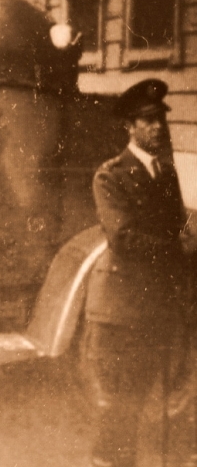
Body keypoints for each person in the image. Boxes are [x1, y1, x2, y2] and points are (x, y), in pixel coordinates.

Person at [83, 78, 197, 467]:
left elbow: (178, 224)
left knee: (165, 406)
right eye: (147, 121)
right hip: (122, 312)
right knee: (119, 407)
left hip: (161, 310)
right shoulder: (110, 175)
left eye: (159, 120)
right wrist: (179, 246)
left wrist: (189, 234)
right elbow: (124, 238)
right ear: (129, 127)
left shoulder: (166, 174)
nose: (157, 128)